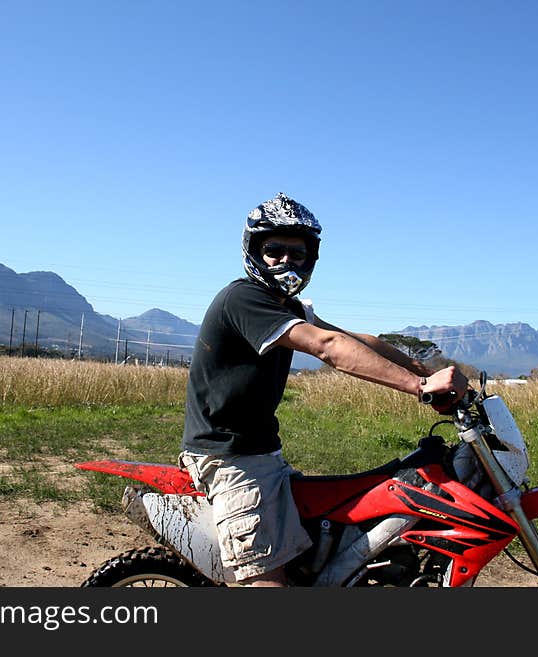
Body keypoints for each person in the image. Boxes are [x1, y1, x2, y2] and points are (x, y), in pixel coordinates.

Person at [179, 192, 468, 587]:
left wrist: (424, 369)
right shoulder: (244, 298)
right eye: (274, 250)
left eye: (296, 253)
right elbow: (326, 347)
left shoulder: (288, 308)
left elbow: (351, 338)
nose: (285, 261)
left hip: (264, 455)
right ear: (254, 252)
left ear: (310, 257)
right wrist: (419, 387)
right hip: (230, 460)